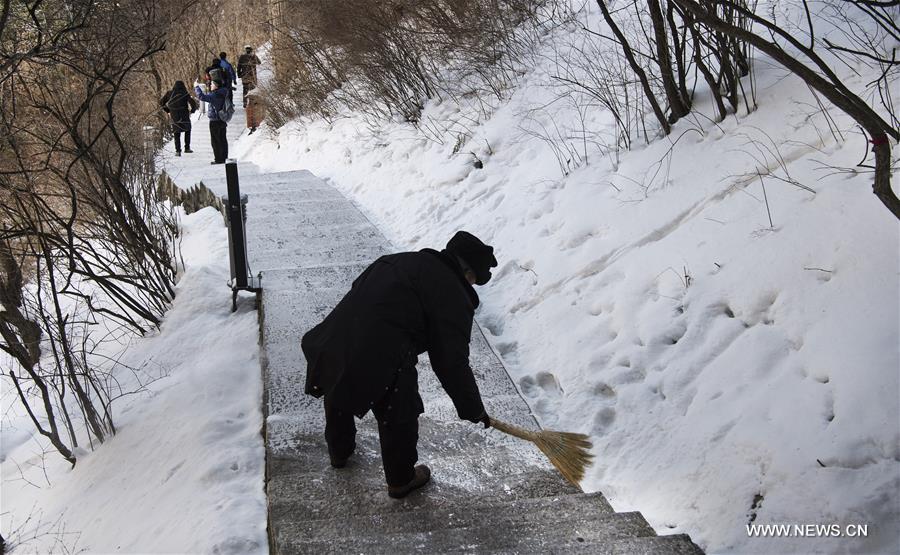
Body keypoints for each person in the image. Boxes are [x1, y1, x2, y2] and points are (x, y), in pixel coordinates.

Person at [301, 231, 498, 499]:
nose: (472, 285)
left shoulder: (399, 260)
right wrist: (473, 409)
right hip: (382, 349)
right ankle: (401, 478)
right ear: (467, 272)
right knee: (400, 407)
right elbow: (451, 362)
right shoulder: (452, 293)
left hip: (335, 333)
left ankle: (339, 451)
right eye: (475, 279)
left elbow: (359, 290)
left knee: (341, 374)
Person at [194, 77, 229, 164]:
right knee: (223, 139)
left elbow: (201, 97)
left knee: (215, 141)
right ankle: (224, 157)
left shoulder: (214, 95)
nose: (210, 85)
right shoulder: (224, 92)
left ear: (216, 86)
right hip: (222, 119)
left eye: (212, 84)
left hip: (214, 121)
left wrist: (196, 87)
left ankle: (218, 159)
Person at [159, 80, 198, 156]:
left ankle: (178, 151)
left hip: (174, 115)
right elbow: (193, 103)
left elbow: (161, 102)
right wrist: (192, 111)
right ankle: (187, 148)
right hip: (184, 114)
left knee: (176, 132)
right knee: (187, 130)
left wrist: (168, 111)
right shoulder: (185, 93)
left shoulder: (169, 93)